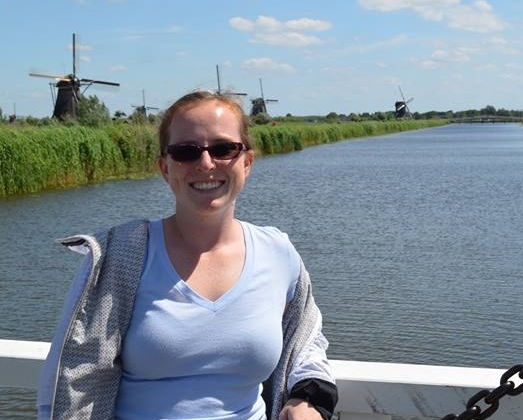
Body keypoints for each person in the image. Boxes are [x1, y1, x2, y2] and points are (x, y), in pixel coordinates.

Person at [36, 90, 338, 420]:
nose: (206, 163)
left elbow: (307, 338)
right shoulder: (118, 257)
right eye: (186, 152)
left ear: (247, 162)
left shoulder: (278, 253)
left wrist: (307, 398)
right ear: (165, 168)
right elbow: (67, 382)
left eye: (224, 149)